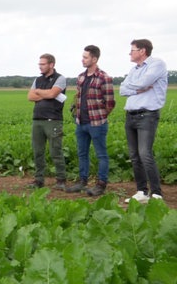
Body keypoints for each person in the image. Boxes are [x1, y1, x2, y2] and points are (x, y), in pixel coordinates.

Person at [120, 39, 168, 203]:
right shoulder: (134, 69)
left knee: (145, 153)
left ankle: (156, 193)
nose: (130, 53)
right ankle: (141, 191)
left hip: (147, 115)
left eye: (132, 50)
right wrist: (138, 88)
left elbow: (144, 82)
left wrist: (135, 86)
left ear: (142, 51)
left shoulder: (157, 64)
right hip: (131, 115)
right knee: (134, 155)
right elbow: (122, 89)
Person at [66, 45, 116, 196]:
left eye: (85, 57)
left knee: (101, 154)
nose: (83, 59)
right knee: (82, 153)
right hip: (81, 123)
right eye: (83, 57)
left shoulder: (104, 78)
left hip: (97, 123)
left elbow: (110, 103)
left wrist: (100, 116)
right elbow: (79, 97)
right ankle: (82, 181)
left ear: (94, 59)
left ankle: (101, 184)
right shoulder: (81, 77)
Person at [27, 53, 67, 189]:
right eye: (39, 64)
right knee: (38, 152)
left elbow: (52, 94)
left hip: (53, 120)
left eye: (43, 64)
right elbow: (30, 96)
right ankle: (39, 180)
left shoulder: (60, 78)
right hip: (37, 119)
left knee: (55, 151)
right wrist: (45, 94)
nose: (40, 66)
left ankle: (61, 179)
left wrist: (40, 92)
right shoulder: (37, 79)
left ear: (51, 64)